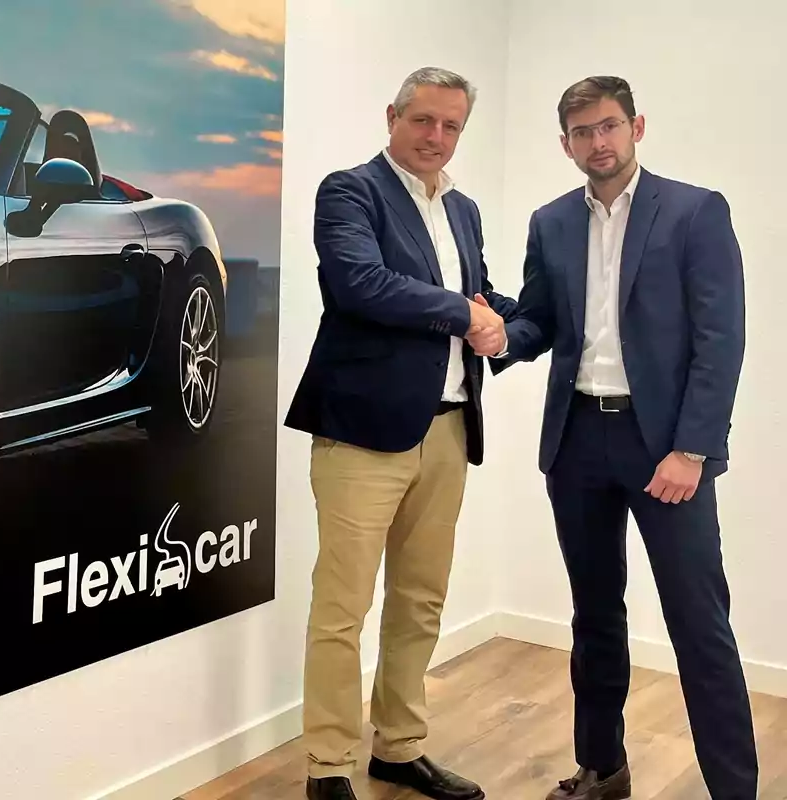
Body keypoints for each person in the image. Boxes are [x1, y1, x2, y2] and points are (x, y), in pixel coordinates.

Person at [484, 75, 757, 800]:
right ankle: (601, 768)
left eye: (608, 126)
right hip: (577, 443)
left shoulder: (695, 212)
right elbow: (542, 322)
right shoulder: (551, 222)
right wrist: (497, 336)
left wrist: (692, 449)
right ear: (565, 142)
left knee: (700, 624)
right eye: (581, 132)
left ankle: (735, 788)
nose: (597, 143)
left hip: (664, 446)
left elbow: (720, 338)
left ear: (636, 126)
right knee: (595, 613)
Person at [284, 66, 514, 800]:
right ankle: (327, 765)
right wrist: (466, 314)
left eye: (451, 126)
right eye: (424, 121)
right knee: (343, 605)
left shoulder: (465, 209)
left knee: (420, 601)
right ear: (393, 115)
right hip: (362, 432)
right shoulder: (350, 191)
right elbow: (361, 282)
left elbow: (485, 301)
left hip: (447, 428)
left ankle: (399, 746)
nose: (436, 138)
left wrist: (534, 322)